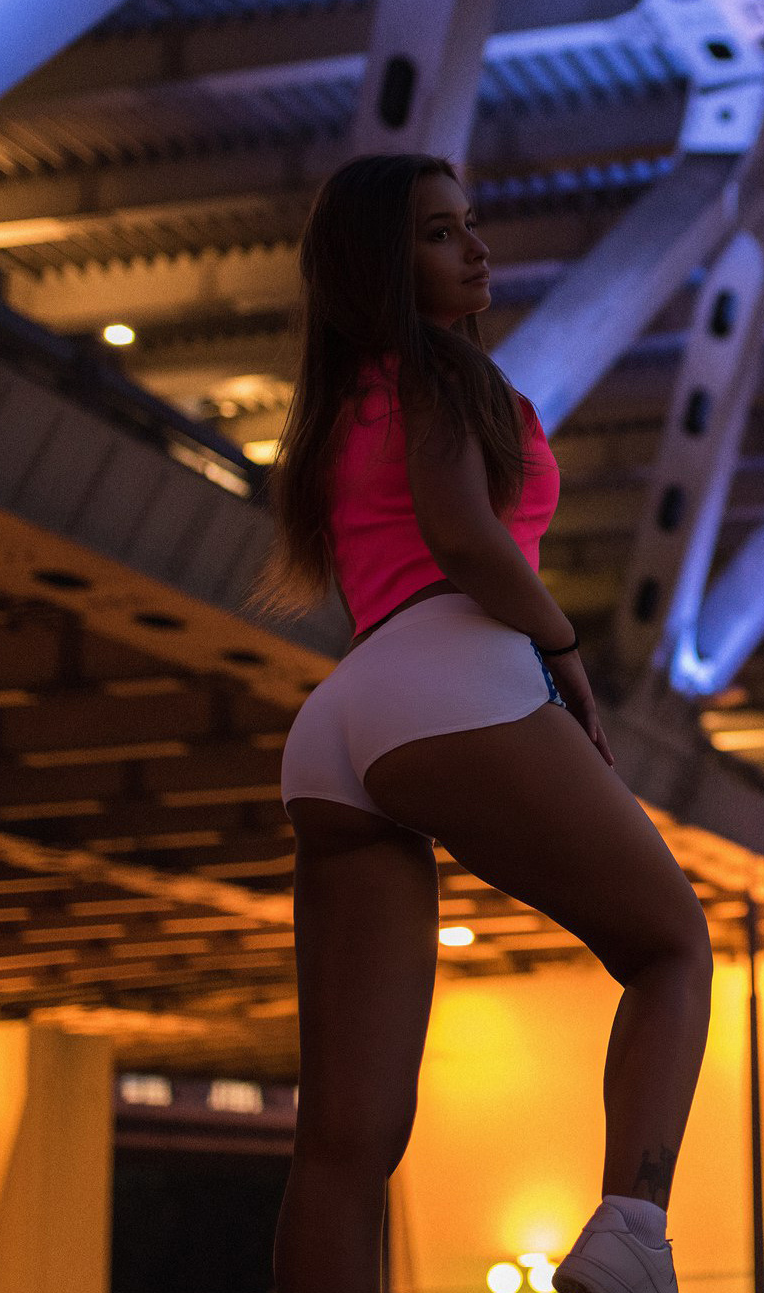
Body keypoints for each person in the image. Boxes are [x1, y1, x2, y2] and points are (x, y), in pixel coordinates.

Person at [253, 154, 712, 1293]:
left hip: (341, 723)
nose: (477, 249)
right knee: (669, 947)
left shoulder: (331, 412)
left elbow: (390, 568)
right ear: (383, 264)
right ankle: (629, 1238)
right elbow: (462, 535)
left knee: (343, 1139)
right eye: (441, 233)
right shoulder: (451, 381)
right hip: (455, 673)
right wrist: (560, 646)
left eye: (470, 225)